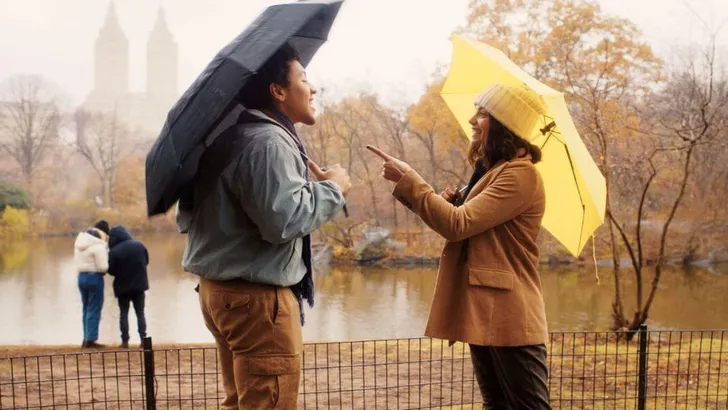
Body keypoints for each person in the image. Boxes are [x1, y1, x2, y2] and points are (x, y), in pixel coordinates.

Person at [176, 43, 351, 410]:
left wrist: (311, 190)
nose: (314, 88)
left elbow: (188, 216)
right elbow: (283, 222)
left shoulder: (230, 139)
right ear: (278, 91)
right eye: (304, 79)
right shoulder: (269, 143)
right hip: (256, 303)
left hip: (221, 294)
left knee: (240, 403)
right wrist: (334, 189)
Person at [367, 83, 552, 409]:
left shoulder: (520, 175)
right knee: (496, 406)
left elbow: (456, 225)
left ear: (505, 123)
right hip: (485, 309)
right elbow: (460, 223)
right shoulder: (493, 171)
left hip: (511, 315)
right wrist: (452, 202)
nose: (472, 120)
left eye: (483, 113)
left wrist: (409, 178)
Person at [107, 225, 150, 349]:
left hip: (122, 287)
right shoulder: (140, 246)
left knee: (123, 313)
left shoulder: (114, 251)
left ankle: (125, 341)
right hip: (139, 285)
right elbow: (146, 262)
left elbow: (111, 270)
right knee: (140, 313)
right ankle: (143, 339)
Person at [74, 220, 110, 348]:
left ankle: (86, 338)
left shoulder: (79, 243)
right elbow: (103, 267)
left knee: (86, 308)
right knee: (94, 308)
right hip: (94, 278)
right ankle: (91, 340)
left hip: (81, 277)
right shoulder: (98, 245)